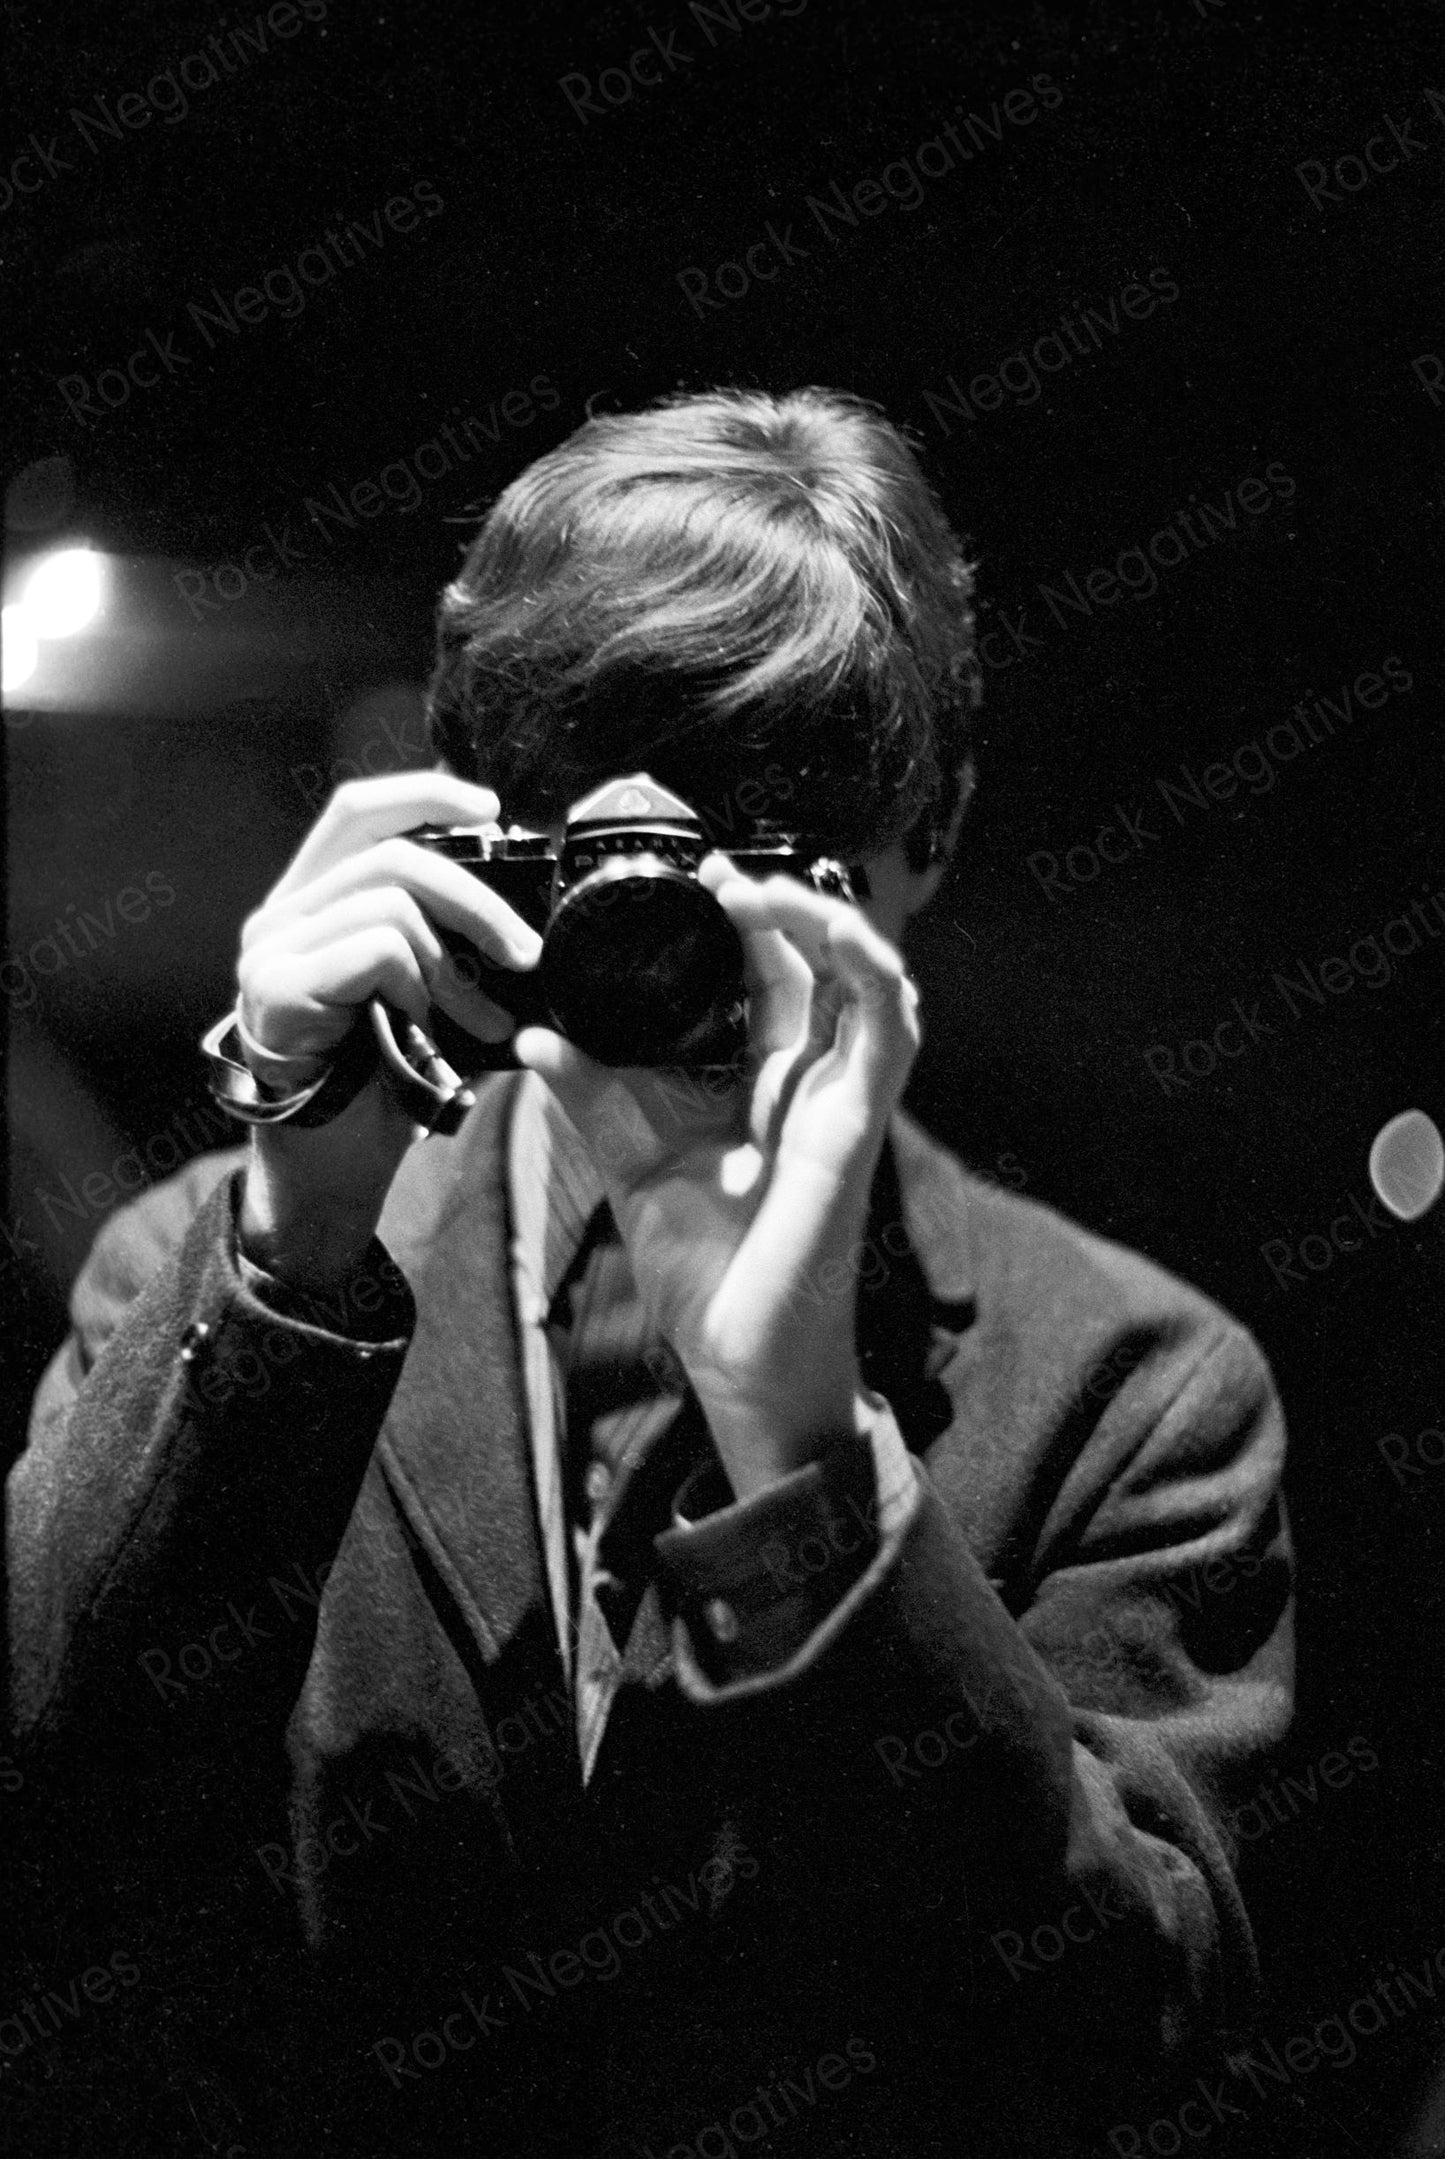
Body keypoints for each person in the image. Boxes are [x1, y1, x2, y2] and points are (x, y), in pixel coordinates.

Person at [8, 387, 1294, 2159]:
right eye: (598, 846)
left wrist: (804, 1444)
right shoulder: (213, 1265)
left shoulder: (1135, 1389)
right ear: (473, 833)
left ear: (932, 833)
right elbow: (53, 1866)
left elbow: (1128, 2047)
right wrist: (294, 1239)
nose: (667, 925)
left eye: (767, 848)